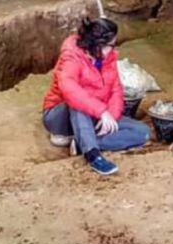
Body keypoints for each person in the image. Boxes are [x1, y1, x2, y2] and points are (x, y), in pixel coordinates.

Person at [41, 18, 151, 176]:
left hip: (95, 113)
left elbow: (116, 89)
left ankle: (83, 143)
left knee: (142, 132)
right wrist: (101, 112)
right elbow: (70, 89)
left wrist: (110, 116)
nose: (113, 50)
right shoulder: (71, 56)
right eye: (111, 45)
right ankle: (92, 154)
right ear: (98, 44)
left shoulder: (109, 57)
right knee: (77, 102)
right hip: (59, 117)